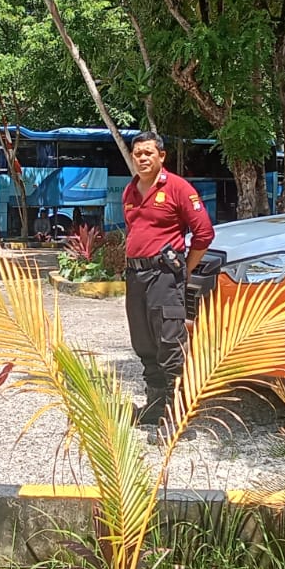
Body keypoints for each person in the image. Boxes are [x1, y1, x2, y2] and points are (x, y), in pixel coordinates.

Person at [122, 131, 214, 434]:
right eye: (138, 153)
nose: (142, 158)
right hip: (135, 278)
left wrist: (186, 269)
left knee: (170, 345)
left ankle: (178, 417)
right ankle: (155, 407)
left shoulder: (177, 188)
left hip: (164, 277)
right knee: (144, 344)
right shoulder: (130, 190)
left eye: (148, 153)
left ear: (161, 156)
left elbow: (204, 233)